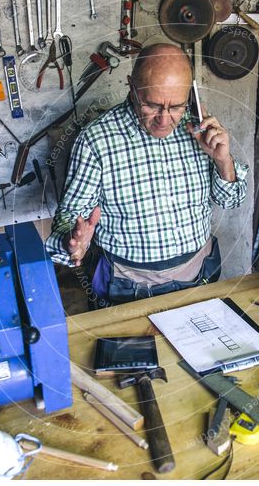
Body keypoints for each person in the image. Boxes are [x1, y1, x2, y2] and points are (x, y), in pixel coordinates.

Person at [45, 43, 248, 304]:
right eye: (152, 105)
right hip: (128, 288)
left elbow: (231, 201)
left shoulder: (201, 129)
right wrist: (73, 243)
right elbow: (67, 222)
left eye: (176, 106)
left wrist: (223, 161)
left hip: (200, 275)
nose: (164, 120)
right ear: (132, 88)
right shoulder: (96, 141)